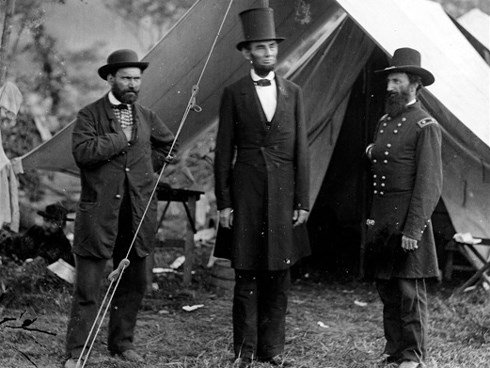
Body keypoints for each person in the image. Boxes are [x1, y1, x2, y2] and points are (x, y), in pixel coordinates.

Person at [64, 49, 175, 368]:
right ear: (110, 78)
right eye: (126, 78)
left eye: (137, 79)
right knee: (88, 285)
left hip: (136, 213)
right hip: (99, 214)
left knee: (135, 282)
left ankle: (122, 343)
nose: (132, 84)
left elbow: (168, 145)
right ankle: (76, 350)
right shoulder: (89, 115)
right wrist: (119, 139)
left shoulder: (147, 115)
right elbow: (82, 153)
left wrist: (145, 168)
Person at [214, 7, 310, 368]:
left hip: (284, 197)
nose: (269, 53)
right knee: (247, 274)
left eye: (272, 46)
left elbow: (302, 150)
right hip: (247, 195)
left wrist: (303, 200)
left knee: (279, 276)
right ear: (246, 53)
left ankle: (274, 350)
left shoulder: (294, 92)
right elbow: (223, 152)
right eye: (261, 47)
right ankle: (245, 352)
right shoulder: (233, 93)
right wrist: (224, 202)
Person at [365, 48, 442, 368]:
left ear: (415, 85)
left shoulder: (426, 125)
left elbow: (429, 184)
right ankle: (395, 350)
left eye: (396, 81)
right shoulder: (384, 121)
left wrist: (413, 228)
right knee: (387, 287)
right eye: (389, 81)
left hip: (407, 219)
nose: (389, 87)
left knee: (409, 291)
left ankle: (413, 355)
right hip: (382, 219)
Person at [1, 203, 74, 266]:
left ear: (62, 225)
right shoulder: (35, 230)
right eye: (46, 220)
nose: (48, 225)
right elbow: (20, 244)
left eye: (54, 223)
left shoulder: (63, 244)